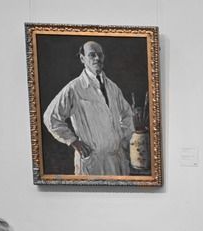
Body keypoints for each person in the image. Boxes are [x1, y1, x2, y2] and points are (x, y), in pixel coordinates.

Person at [43, 41, 135, 176]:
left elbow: (127, 114)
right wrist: (73, 141)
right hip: (91, 161)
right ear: (82, 59)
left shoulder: (113, 87)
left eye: (100, 55)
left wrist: (123, 139)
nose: (97, 58)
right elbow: (50, 117)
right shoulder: (74, 88)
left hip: (116, 159)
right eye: (92, 55)